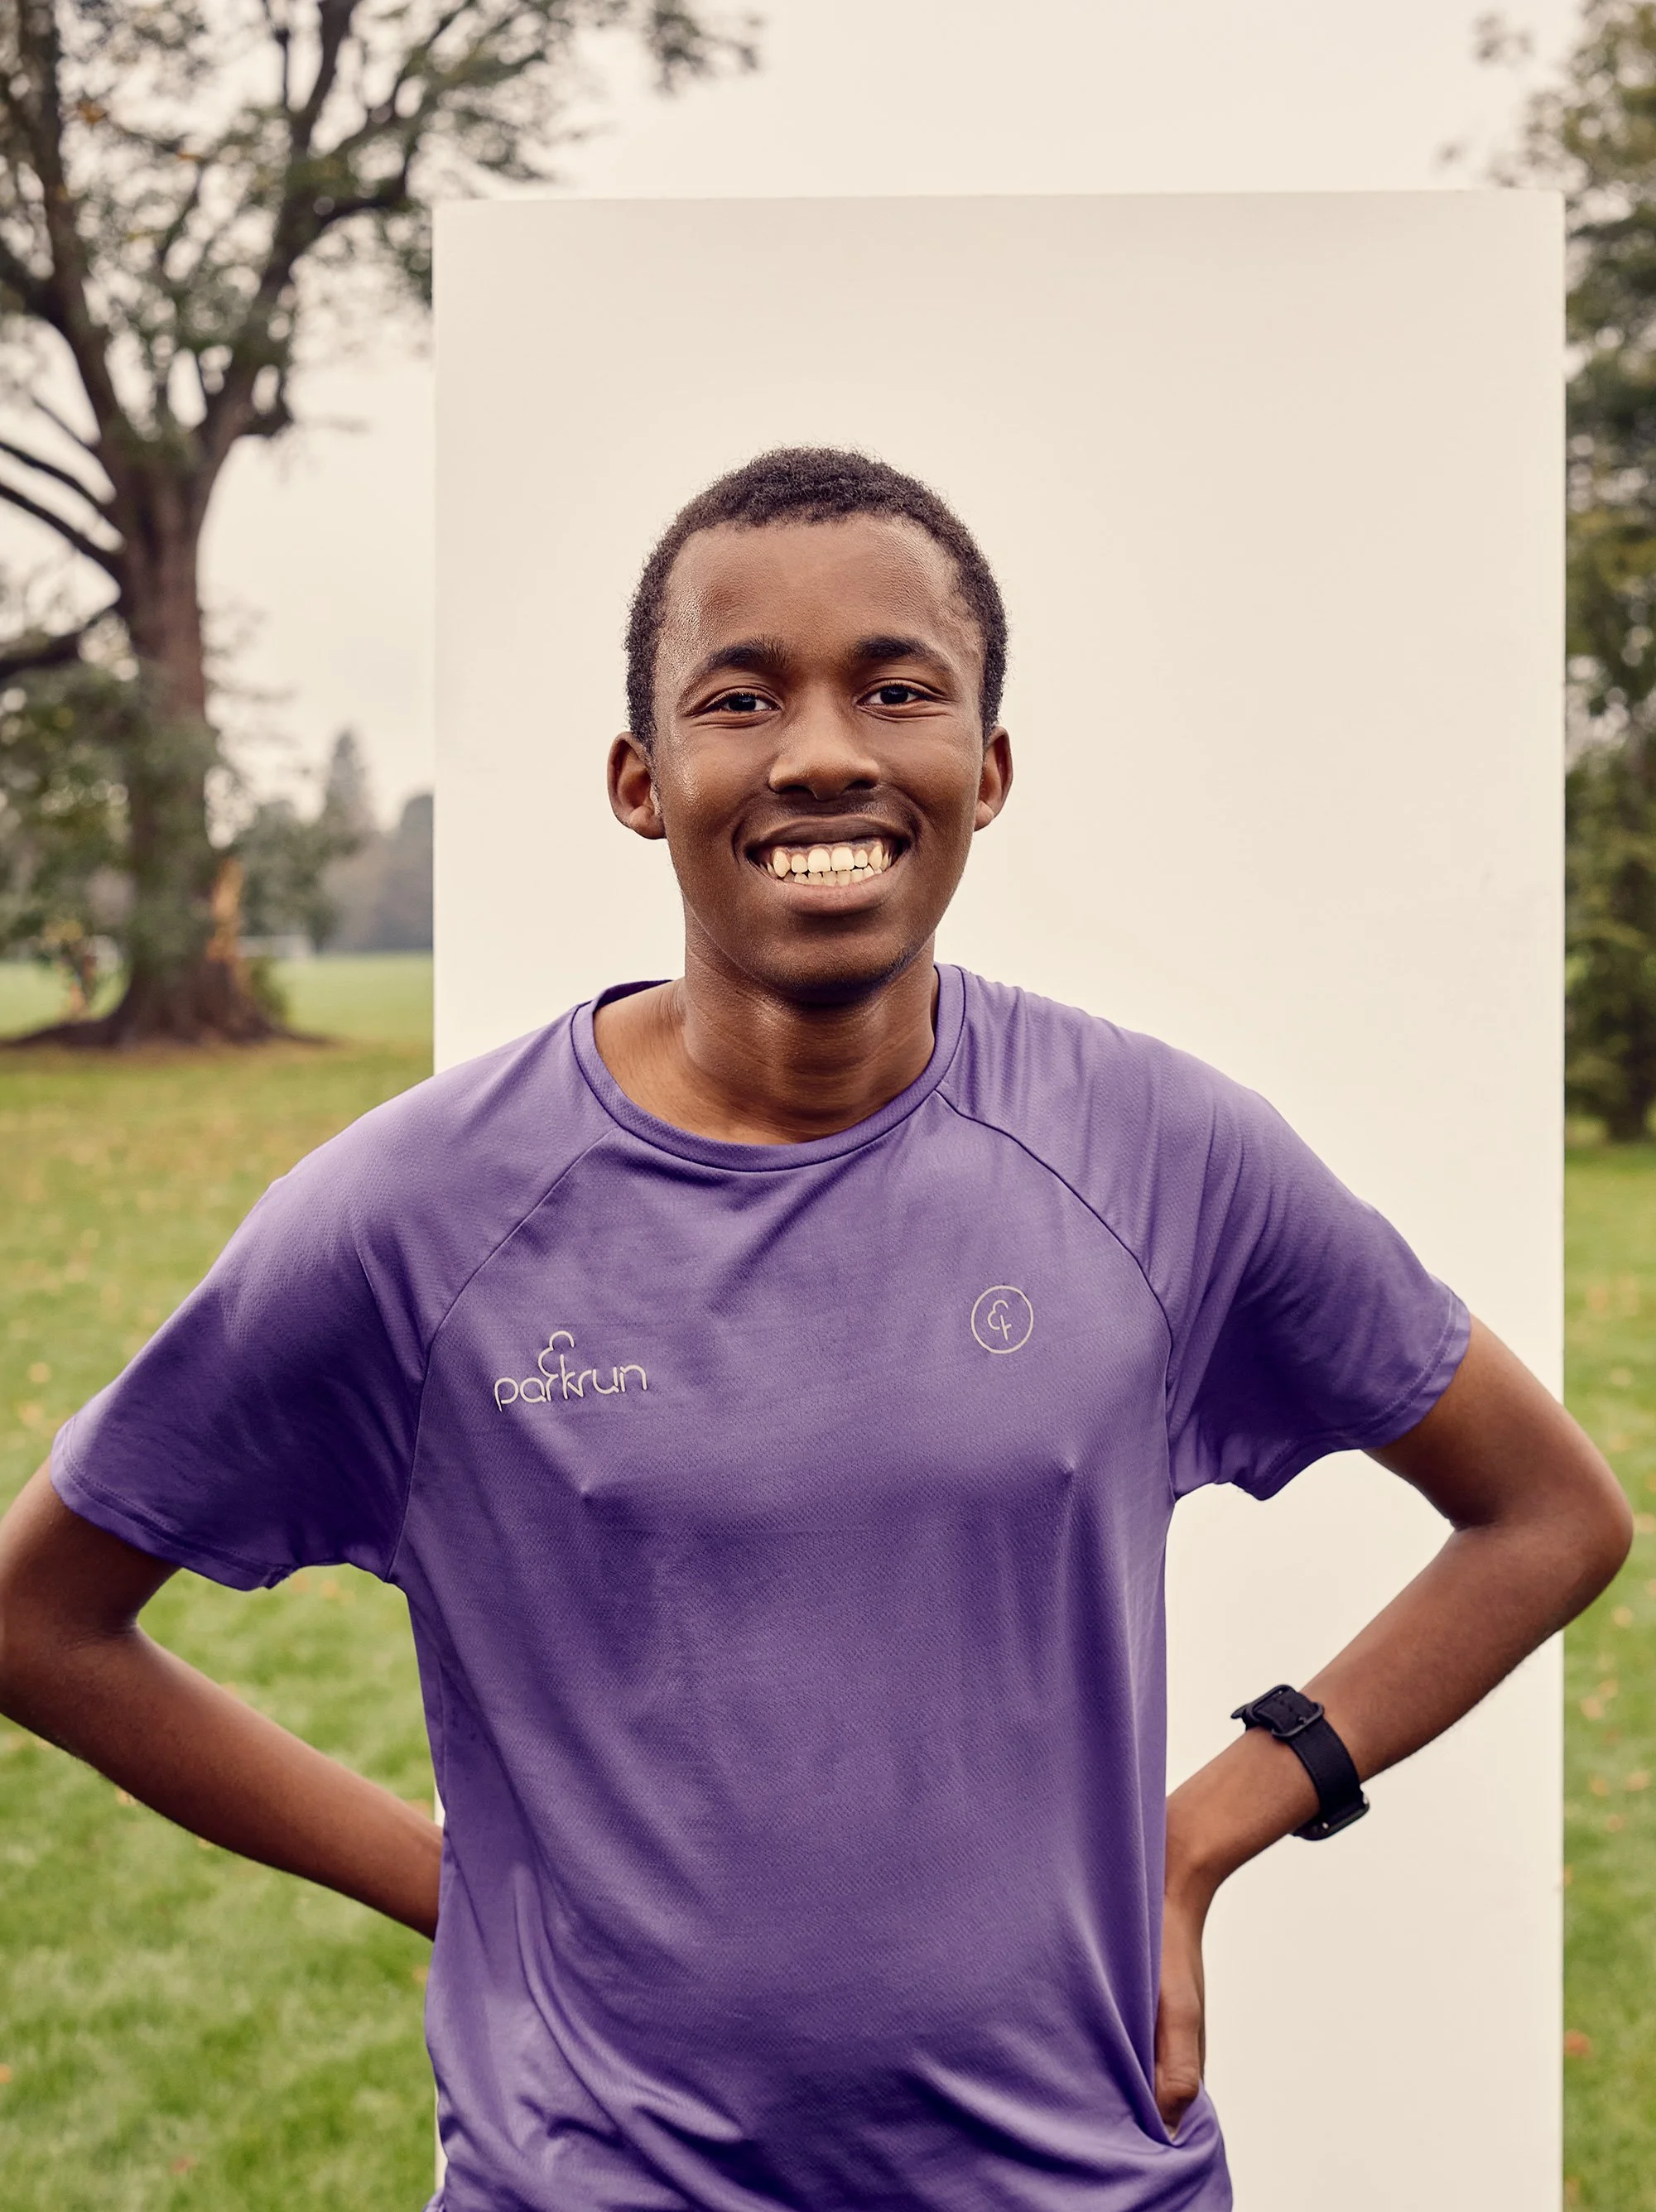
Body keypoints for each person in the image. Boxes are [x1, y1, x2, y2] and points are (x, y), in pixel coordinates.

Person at [0, 448, 1631, 2212]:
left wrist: (1209, 1824)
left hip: (1078, 2182)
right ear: (644, 779)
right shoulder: (414, 1220)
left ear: (986, 769)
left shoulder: (1160, 1154)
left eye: (897, 686)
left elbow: (1549, 1514)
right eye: (741, 695)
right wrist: (458, 1880)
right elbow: (41, 1620)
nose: (828, 749)